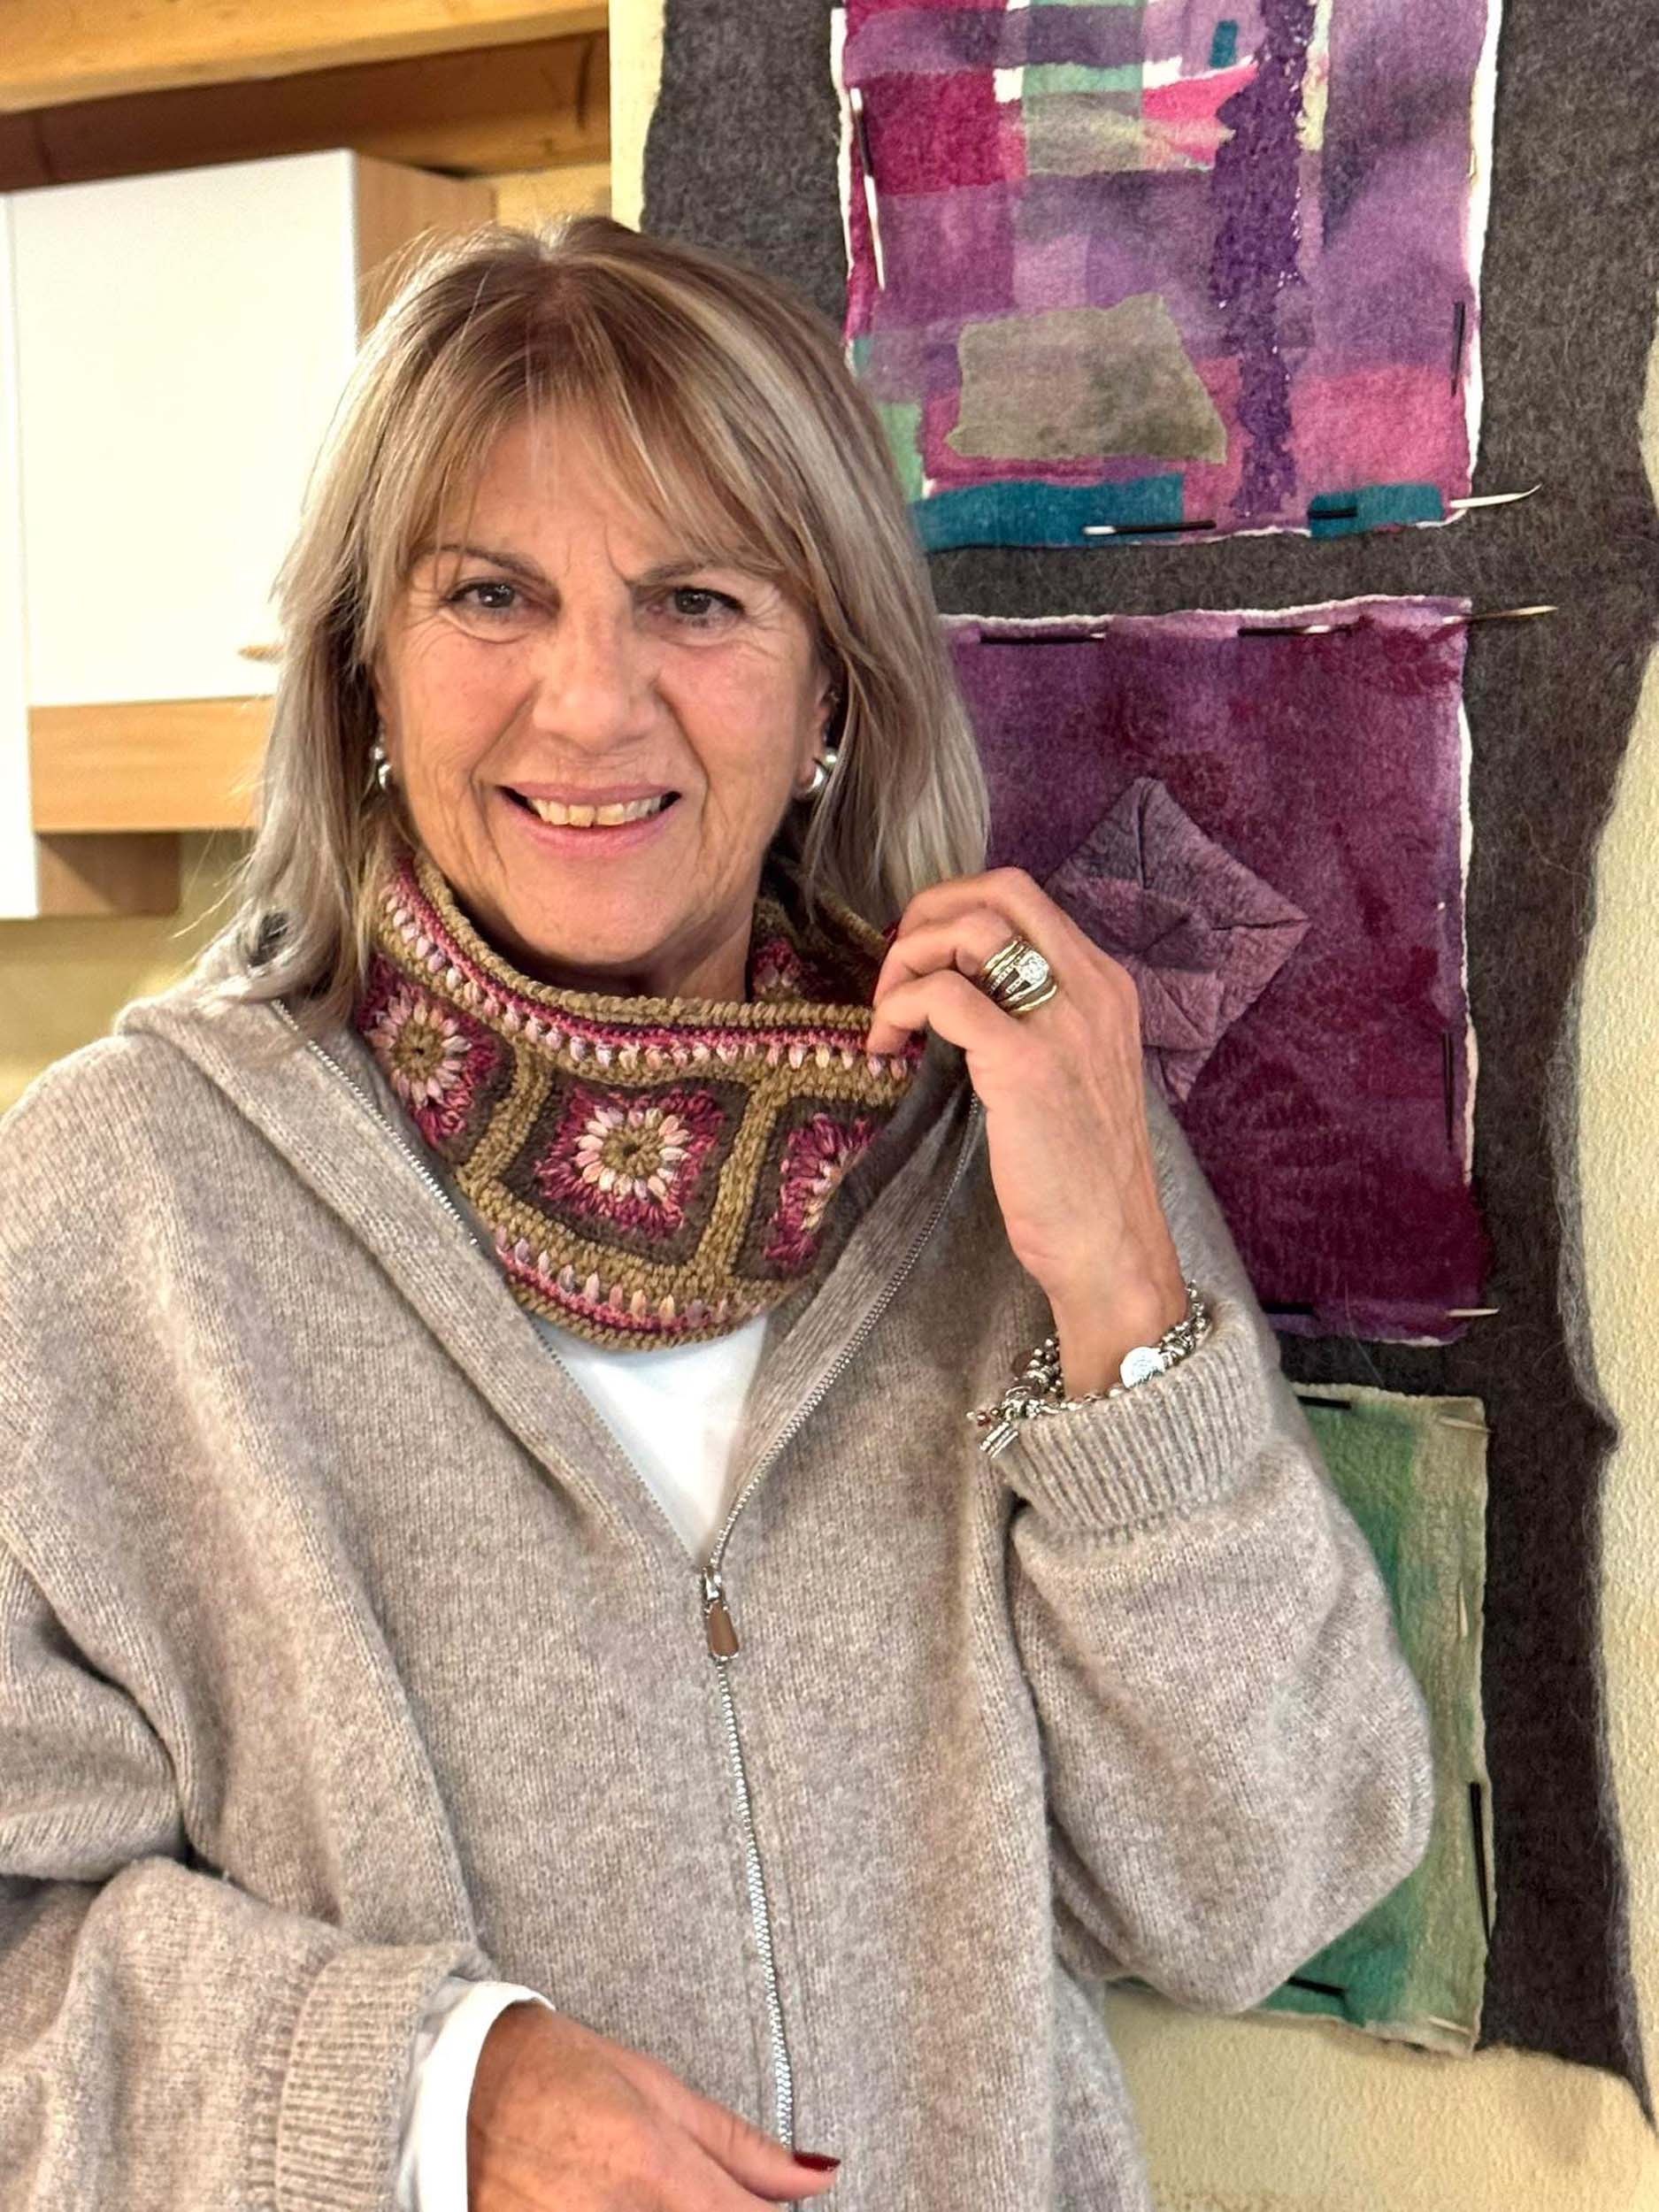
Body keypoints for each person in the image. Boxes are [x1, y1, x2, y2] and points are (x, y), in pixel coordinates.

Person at [0, 214, 1433, 2212]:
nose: (590, 704)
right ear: (365, 671)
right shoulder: (116, 1205)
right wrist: (427, 2099)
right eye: (488, 595)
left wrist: (1117, 1286)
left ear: (830, 681)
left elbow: (1253, 1888)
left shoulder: (1011, 1138)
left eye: (696, 600)